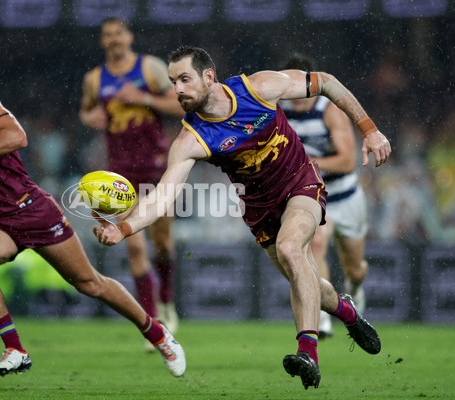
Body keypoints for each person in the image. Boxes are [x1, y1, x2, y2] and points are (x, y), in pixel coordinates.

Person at [93, 46, 390, 390]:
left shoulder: (257, 88)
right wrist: (124, 228)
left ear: (208, 76)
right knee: (303, 278)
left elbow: (326, 82)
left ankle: (307, 352)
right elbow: (162, 197)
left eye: (185, 79)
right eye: (174, 82)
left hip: (301, 183)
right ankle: (347, 311)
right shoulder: (192, 138)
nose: (178, 90)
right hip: (260, 210)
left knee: (292, 249)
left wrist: (369, 129)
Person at [0, 47, 185, 378]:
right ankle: (15, 349)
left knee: (91, 284)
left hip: (31, 207)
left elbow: (17, 136)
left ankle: (158, 334)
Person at [79, 17, 185, 343]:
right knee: (134, 244)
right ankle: (154, 323)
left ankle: (166, 299)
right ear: (102, 41)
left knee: (162, 242)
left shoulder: (150, 68)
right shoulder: (94, 79)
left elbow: (181, 105)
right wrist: (89, 117)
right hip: (119, 171)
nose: (114, 40)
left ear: (129, 37)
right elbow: (86, 110)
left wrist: (143, 99)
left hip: (155, 165)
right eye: (107, 35)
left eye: (118, 34)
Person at [280, 54, 369, 339]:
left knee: (355, 268)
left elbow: (347, 161)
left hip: (346, 196)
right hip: (318, 194)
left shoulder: (329, 110)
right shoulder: (279, 110)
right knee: (315, 243)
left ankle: (354, 291)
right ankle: (323, 317)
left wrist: (310, 163)